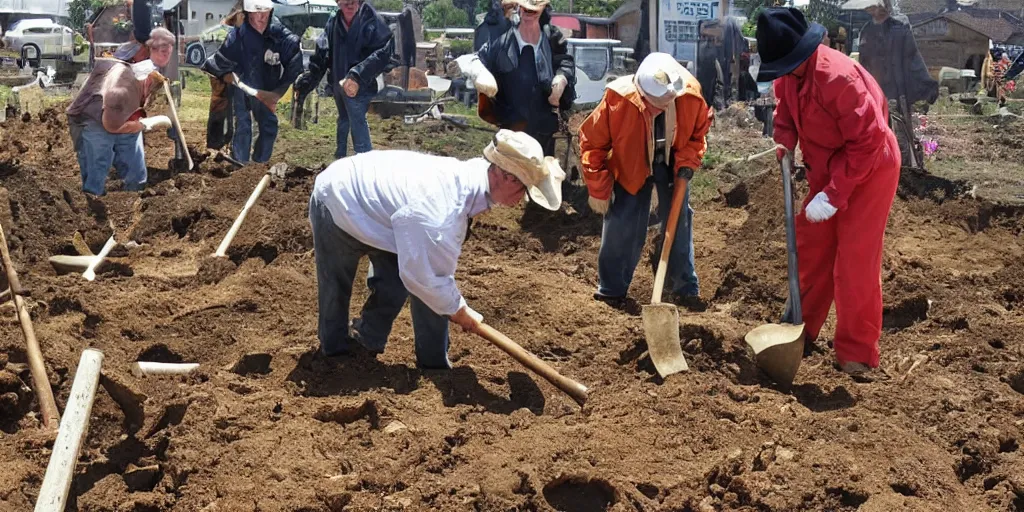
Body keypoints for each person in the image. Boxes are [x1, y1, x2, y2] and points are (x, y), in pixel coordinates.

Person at [308, 130, 566, 368]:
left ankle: (372, 339)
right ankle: (335, 358)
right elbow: (427, 280)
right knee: (336, 286)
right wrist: (460, 310)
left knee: (397, 281)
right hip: (338, 198)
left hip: (388, 209)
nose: (521, 199)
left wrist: (453, 305)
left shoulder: (472, 179)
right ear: (505, 176)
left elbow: (426, 278)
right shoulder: (442, 211)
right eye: (523, 189)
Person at [757, 8, 900, 375]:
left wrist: (835, 194)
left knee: (854, 260)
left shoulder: (838, 78)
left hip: (870, 169)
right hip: (826, 165)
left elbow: (869, 141)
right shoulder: (789, 76)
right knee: (813, 245)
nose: (783, 72)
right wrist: (784, 143)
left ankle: (856, 352)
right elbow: (785, 114)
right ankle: (800, 328)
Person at [578, 52, 712, 310]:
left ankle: (684, 289)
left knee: (679, 222)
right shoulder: (618, 99)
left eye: (664, 103)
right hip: (632, 162)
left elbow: (698, 134)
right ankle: (611, 291)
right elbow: (592, 144)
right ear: (640, 94)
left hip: (673, 161)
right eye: (653, 105)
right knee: (623, 219)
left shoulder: (691, 95)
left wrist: (686, 163)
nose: (658, 109)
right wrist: (599, 188)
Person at [454, 0, 576, 158]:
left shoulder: (552, 37)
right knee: (511, 174)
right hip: (511, 128)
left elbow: (565, 61)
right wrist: (480, 73)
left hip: (543, 128)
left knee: (540, 172)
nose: (528, 11)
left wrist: (562, 77)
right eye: (525, 7)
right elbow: (475, 59)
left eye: (533, 8)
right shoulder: (502, 40)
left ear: (543, 8)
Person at [65, 28, 176, 196]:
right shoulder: (121, 90)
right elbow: (112, 126)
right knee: (98, 162)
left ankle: (136, 194)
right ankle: (92, 201)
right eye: (152, 89)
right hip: (90, 117)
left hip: (121, 113)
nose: (151, 96)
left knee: (135, 166)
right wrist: (141, 125)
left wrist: (137, 124)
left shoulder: (140, 73)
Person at [201, 0, 302, 164]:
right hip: (242, 84)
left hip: (267, 86)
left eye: (266, 11)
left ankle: (259, 165)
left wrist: (276, 94)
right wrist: (226, 74)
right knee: (243, 124)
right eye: (257, 12)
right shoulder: (238, 35)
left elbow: (294, 65)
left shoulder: (281, 36)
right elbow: (218, 62)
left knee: (269, 126)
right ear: (248, 12)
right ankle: (240, 165)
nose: (262, 16)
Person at [294, 0, 394, 159]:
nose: (349, 4)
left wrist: (356, 76)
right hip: (338, 83)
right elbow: (321, 55)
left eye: (353, 0)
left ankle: (364, 163)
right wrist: (308, 81)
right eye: (344, 1)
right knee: (344, 118)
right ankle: (340, 158)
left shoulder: (372, 20)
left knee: (357, 120)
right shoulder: (333, 23)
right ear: (338, 2)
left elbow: (384, 52)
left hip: (362, 84)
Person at [847, 0, 937, 168]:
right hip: (874, 92)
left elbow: (913, 59)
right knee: (876, 133)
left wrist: (927, 85)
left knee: (901, 135)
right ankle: (881, 169)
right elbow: (863, 65)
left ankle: (905, 171)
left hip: (896, 91)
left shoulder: (899, 29)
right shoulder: (866, 31)